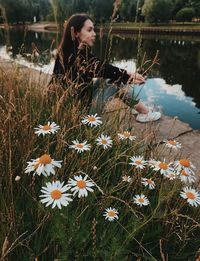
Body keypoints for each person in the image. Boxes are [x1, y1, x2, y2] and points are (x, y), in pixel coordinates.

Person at [52, 13, 161, 122]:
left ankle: (139, 108)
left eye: (94, 30)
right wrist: (128, 76)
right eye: (89, 30)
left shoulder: (67, 52)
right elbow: (101, 68)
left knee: (107, 79)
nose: (94, 34)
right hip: (78, 116)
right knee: (114, 83)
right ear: (75, 33)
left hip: (73, 107)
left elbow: (101, 68)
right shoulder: (76, 56)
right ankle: (145, 112)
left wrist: (127, 74)